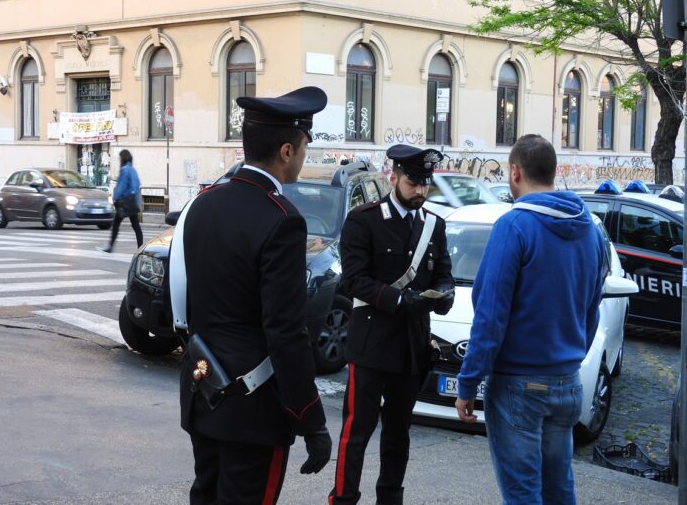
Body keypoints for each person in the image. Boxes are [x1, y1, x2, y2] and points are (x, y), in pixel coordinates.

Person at [171, 86, 332, 505]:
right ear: (285, 151)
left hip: (204, 391)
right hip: (253, 409)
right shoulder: (282, 220)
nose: (303, 157)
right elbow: (285, 332)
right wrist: (311, 417)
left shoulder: (203, 204)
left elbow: (188, 303)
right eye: (303, 148)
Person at [455, 134, 605, 505]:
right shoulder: (590, 230)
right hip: (567, 382)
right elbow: (592, 308)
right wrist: (569, 358)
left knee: (523, 493)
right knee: (559, 489)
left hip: (519, 384)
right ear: (554, 172)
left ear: (515, 172)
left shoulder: (514, 226)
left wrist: (468, 382)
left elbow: (490, 315)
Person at [328, 145, 455, 505]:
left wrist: (445, 294)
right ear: (394, 177)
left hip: (411, 347)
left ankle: (390, 499)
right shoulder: (363, 220)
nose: (420, 190)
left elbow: (444, 272)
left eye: (425, 184)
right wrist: (399, 299)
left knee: (399, 433)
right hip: (371, 344)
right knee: (357, 431)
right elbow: (353, 280)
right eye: (413, 182)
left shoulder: (434, 225)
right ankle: (343, 498)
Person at [99, 149, 143, 252]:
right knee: (136, 226)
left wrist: (115, 198)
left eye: (119, 158)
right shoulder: (133, 169)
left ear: (122, 158)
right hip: (132, 201)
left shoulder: (124, 170)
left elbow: (121, 186)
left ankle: (110, 247)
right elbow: (137, 185)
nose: (119, 160)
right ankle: (140, 248)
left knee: (116, 224)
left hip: (125, 201)